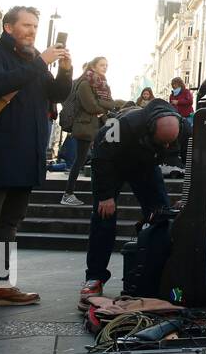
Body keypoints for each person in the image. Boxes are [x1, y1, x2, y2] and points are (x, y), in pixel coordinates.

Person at [0, 6, 71, 316]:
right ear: (8, 28)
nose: (32, 31)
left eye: (35, 25)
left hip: (28, 153)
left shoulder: (34, 61)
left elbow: (58, 94)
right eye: (26, 25)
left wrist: (64, 68)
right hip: (0, 150)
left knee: (10, 223)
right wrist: (41, 62)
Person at [78, 99, 180, 305]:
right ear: (150, 128)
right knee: (103, 218)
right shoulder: (123, 124)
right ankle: (95, 277)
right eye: (163, 142)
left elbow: (191, 157)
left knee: (163, 215)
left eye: (169, 143)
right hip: (111, 166)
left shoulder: (182, 127)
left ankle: (159, 275)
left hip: (144, 165)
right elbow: (100, 156)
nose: (167, 147)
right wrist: (106, 196)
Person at [66, 58, 126, 207]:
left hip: (99, 126)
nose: (105, 68)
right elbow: (91, 106)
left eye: (107, 65)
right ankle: (68, 193)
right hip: (86, 127)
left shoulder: (103, 85)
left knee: (99, 160)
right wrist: (104, 106)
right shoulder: (85, 84)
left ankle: (99, 193)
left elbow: (111, 103)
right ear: (93, 66)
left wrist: (103, 105)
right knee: (79, 161)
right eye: (102, 65)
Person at [168, 76, 193, 169]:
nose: (174, 86)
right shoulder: (172, 94)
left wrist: (178, 102)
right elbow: (170, 103)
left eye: (176, 84)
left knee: (187, 135)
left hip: (186, 116)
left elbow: (190, 101)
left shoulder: (186, 92)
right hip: (177, 117)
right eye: (173, 85)